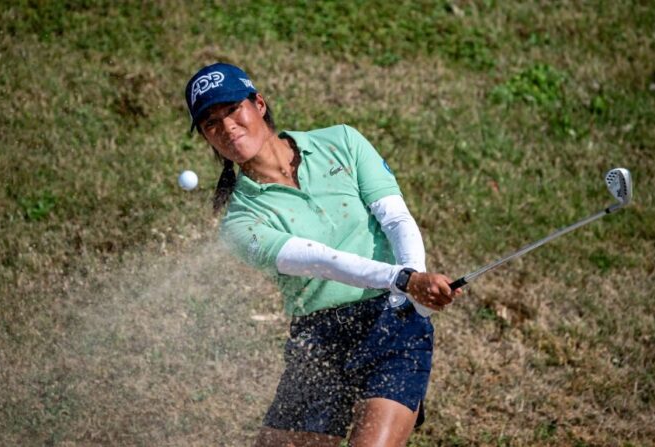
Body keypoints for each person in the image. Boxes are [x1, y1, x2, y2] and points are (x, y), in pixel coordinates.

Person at [184, 62, 462, 447]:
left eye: (233, 109)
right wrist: (405, 280)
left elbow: (395, 217)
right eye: (211, 123)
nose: (227, 127)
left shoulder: (342, 141)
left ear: (258, 104)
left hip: (392, 320)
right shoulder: (239, 221)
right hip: (319, 341)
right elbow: (318, 259)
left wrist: (413, 298)